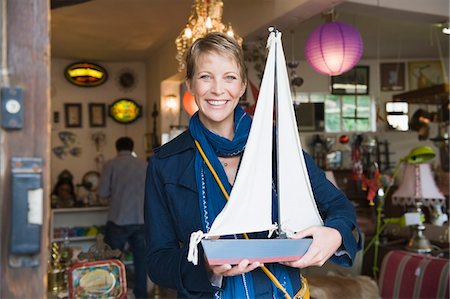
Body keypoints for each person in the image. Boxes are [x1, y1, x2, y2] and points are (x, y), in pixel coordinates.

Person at [144, 32, 361, 298]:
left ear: (243, 86)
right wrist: (204, 263)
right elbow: (157, 261)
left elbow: (340, 208)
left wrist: (335, 235)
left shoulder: (278, 148)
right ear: (190, 84)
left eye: (229, 77)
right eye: (205, 77)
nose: (217, 89)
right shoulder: (166, 164)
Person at [98, 136, 148, 298]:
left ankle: (114, 294)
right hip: (141, 220)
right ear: (132, 147)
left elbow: (103, 193)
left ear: (117, 148)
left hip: (118, 220)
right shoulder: (144, 165)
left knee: (112, 261)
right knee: (141, 262)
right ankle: (141, 295)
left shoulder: (110, 165)